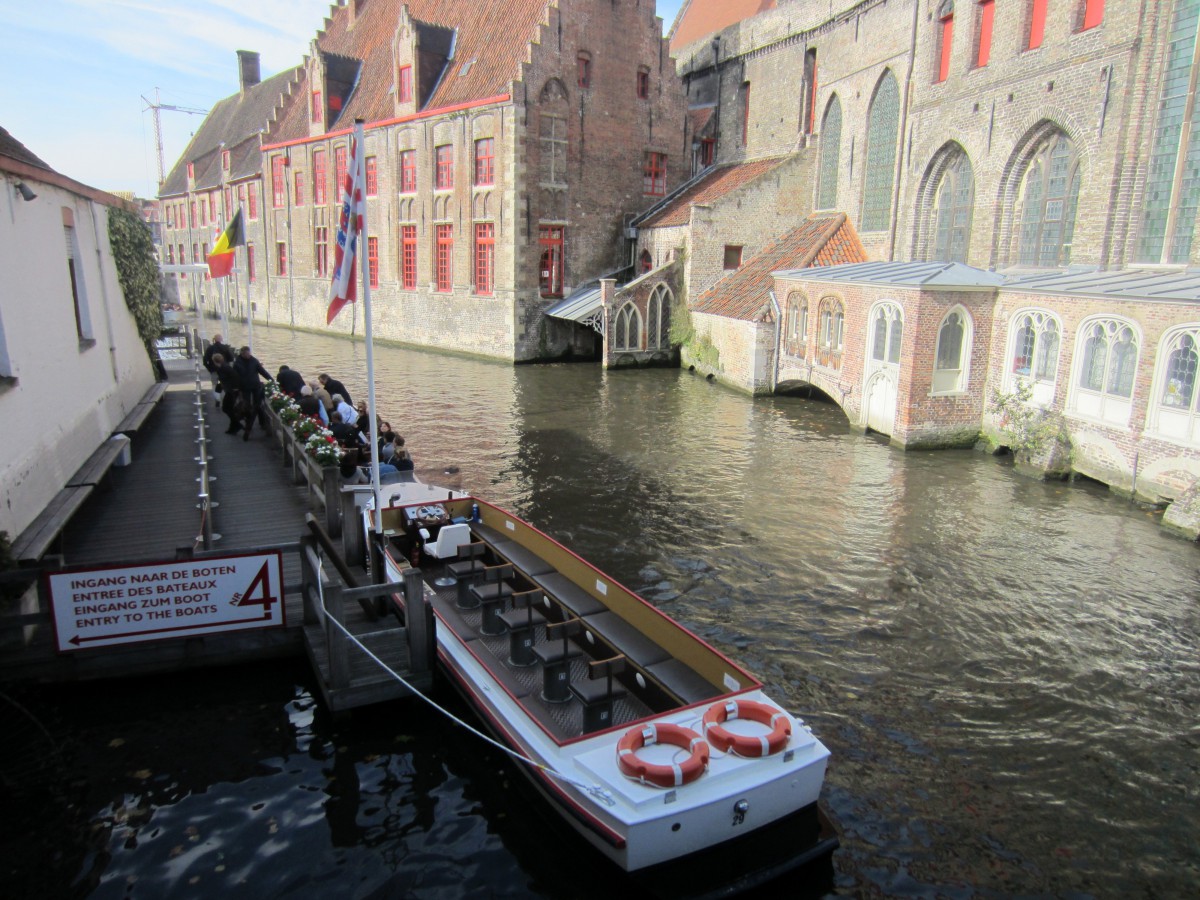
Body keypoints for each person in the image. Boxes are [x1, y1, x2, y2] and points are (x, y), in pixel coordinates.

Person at [233, 346, 272, 436]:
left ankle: (262, 423)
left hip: (255, 386)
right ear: (242, 354)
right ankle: (248, 420)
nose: (248, 356)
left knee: (257, 404)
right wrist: (236, 387)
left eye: (249, 354)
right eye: (246, 354)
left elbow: (262, 371)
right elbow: (235, 376)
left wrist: (271, 379)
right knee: (246, 405)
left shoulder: (254, 361)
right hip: (244, 387)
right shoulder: (237, 363)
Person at [212, 353, 245, 434]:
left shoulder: (224, 368)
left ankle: (236, 424)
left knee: (226, 408)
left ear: (215, 361)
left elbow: (234, 377)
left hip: (232, 390)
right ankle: (233, 427)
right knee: (229, 408)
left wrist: (235, 388)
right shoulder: (223, 367)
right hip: (230, 390)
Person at [202, 334, 235, 403]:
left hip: (214, 369)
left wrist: (209, 368)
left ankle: (217, 398)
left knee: (214, 383)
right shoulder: (225, 347)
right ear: (221, 339)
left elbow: (205, 360)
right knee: (225, 383)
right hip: (224, 369)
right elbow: (231, 359)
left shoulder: (210, 348)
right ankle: (227, 397)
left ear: (214, 339)